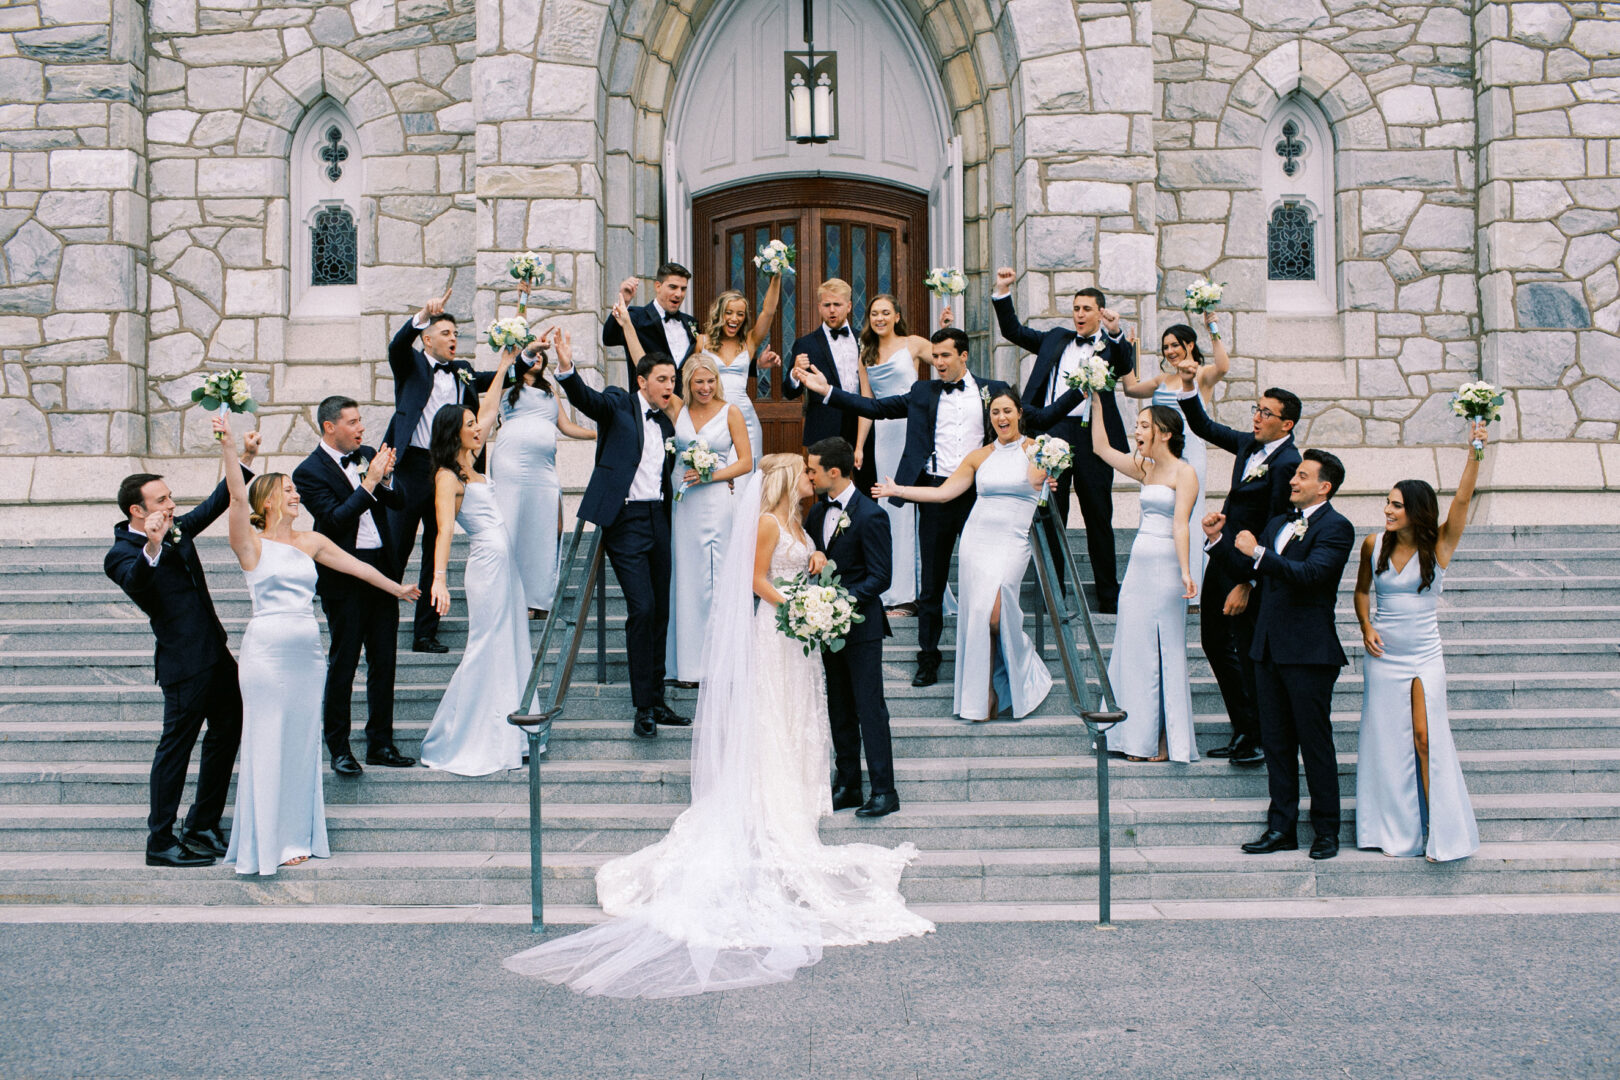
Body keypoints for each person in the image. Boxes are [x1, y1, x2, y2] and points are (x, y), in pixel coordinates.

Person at [503, 455, 933, 998]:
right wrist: (799, 606)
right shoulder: (767, 522)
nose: (809, 477)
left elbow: (801, 564)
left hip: (798, 639)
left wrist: (816, 570)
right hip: (777, 632)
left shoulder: (802, 521)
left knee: (799, 714)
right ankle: (771, 798)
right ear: (782, 481)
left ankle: (804, 790)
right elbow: (757, 580)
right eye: (803, 472)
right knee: (772, 714)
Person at [797, 327, 1080, 688]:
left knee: (987, 579)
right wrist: (829, 392)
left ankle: (997, 655)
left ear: (964, 356)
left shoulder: (992, 390)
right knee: (931, 582)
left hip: (981, 495)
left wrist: (1079, 392)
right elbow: (877, 408)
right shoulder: (922, 392)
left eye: (945, 355)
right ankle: (928, 657)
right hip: (933, 492)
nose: (938, 362)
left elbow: (1035, 420)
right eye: (935, 355)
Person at [214, 417, 419, 875]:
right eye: (288, 490)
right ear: (266, 499)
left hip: (307, 656)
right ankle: (266, 839)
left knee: (301, 744)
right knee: (267, 739)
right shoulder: (250, 544)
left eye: (295, 489)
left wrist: (397, 589)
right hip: (266, 654)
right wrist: (231, 450)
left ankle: (296, 834)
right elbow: (233, 495)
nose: (297, 495)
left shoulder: (312, 541)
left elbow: (357, 568)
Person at [105, 432, 259, 867]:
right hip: (183, 666)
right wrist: (152, 544)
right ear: (137, 511)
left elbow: (217, 503)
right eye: (161, 500)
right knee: (175, 750)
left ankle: (203, 824)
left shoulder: (176, 530)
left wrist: (242, 455)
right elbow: (137, 581)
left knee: (227, 733)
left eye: (170, 497)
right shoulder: (120, 553)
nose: (170, 506)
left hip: (216, 655)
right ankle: (160, 842)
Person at [1204, 449, 1355, 861]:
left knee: (1315, 743)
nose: (1292, 481)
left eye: (1302, 476)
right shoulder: (1276, 523)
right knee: (1275, 743)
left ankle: (1326, 830)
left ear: (1324, 486)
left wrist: (1258, 553)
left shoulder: (1338, 527)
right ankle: (1281, 827)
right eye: (1294, 476)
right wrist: (1218, 541)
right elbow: (1249, 573)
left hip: (1309, 653)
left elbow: (1310, 575)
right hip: (1266, 649)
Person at [873, 391, 1053, 723]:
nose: (1001, 417)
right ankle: (984, 693)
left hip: (1012, 540)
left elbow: (1036, 483)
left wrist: (1048, 479)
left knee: (997, 617)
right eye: (995, 412)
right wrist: (899, 490)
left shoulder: (1038, 450)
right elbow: (943, 493)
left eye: (1007, 411)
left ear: (1019, 413)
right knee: (980, 618)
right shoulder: (978, 456)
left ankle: (1025, 665)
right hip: (977, 541)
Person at [1353, 423, 1489, 863]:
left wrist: (1475, 449)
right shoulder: (1372, 545)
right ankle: (1395, 830)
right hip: (1384, 657)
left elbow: (1464, 500)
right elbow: (1360, 592)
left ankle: (1439, 832)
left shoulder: (1440, 545)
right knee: (1388, 742)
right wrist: (1365, 627)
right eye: (1387, 503)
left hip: (1425, 655)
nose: (1387, 510)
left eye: (1395, 505)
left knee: (1424, 737)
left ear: (1416, 510)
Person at [554, 338, 687, 739]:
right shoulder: (618, 403)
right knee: (642, 608)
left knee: (661, 610)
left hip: (658, 518)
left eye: (673, 379)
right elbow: (588, 400)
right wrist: (566, 370)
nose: (669, 386)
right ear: (642, 380)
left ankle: (658, 698)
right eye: (662, 379)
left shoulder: (667, 423)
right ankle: (642, 706)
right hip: (624, 520)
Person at [991, 267, 1134, 613]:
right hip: (1053, 431)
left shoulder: (1111, 344)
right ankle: (1053, 593)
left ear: (1101, 312)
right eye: (1076, 308)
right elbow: (1013, 330)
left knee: (1098, 514)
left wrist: (1116, 333)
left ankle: (1108, 598)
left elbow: (1125, 363)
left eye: (1087, 309)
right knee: (1052, 512)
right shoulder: (1055, 338)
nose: (1080, 314)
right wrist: (1002, 289)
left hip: (1094, 437)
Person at [420, 345, 532, 777]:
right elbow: (444, 529)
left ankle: (512, 732)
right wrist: (439, 579)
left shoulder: (476, 462)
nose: (478, 428)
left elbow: (486, 408)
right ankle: (466, 735)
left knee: (511, 641)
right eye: (469, 426)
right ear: (455, 433)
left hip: (507, 567)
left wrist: (504, 366)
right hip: (484, 565)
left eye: (476, 425)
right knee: (486, 644)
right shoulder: (448, 476)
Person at [1177, 385, 1301, 765]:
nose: (1257, 417)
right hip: (1222, 555)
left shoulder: (1287, 463)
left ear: (1287, 424)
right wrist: (1187, 385)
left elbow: (1278, 525)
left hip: (1250, 572)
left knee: (1246, 652)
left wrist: (1249, 582)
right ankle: (1243, 727)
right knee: (1214, 642)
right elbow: (1205, 427)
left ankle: (1258, 735)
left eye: (1266, 413)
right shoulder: (1249, 445)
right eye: (1257, 409)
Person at [292, 395, 416, 777]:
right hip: (342, 575)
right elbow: (333, 521)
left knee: (384, 660)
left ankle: (381, 742)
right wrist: (371, 482)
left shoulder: (363, 453)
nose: (361, 428)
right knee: (344, 662)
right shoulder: (308, 472)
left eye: (360, 421)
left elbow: (397, 503)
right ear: (330, 427)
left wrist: (388, 476)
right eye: (353, 422)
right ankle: (340, 748)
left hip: (381, 568)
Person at [384, 285, 495, 655]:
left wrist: (523, 357)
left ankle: (425, 632)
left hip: (447, 468)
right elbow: (397, 347)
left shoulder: (462, 371)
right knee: (397, 545)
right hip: (413, 464)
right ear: (427, 339)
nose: (453, 339)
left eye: (456, 334)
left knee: (437, 546)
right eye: (446, 333)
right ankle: (379, 624)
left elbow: (494, 380)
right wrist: (420, 316)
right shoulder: (411, 363)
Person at [1089, 401, 1200, 762]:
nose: (1136, 433)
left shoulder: (1185, 473)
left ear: (1164, 433)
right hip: (1139, 565)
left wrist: (1186, 570)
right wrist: (1096, 400)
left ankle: (1167, 739)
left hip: (1168, 564)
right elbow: (1101, 449)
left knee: (1165, 649)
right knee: (1134, 648)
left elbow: (1181, 523)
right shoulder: (1144, 468)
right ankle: (1135, 738)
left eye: (1142, 426)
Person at [805, 437, 898, 817]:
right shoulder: (814, 514)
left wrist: (838, 602)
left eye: (812, 469)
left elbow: (881, 577)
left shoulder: (872, 515)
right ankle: (848, 784)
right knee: (839, 707)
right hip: (827, 631)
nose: (808, 476)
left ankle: (884, 791)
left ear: (833, 471)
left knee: (869, 707)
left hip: (861, 628)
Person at [1121, 311, 1231, 606]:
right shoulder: (1160, 379)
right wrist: (1127, 351)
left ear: (1189, 345)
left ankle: (1192, 588)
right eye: (1165, 346)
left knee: (1189, 515)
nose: (1169, 351)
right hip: (1161, 453)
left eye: (1174, 345)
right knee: (1156, 507)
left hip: (1190, 448)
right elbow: (1131, 388)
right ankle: (1158, 579)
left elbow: (1223, 365)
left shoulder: (1202, 374)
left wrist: (1213, 327)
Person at [855, 294, 950, 617]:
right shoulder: (865, 354)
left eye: (885, 312)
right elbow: (867, 406)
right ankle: (894, 591)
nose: (879, 318)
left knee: (916, 509)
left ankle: (911, 596)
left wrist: (945, 329)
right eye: (874, 313)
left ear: (897, 315)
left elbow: (945, 363)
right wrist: (858, 446)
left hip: (915, 431)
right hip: (884, 436)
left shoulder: (913, 344)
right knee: (891, 510)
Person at [493, 329, 596, 619]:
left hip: (543, 469)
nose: (536, 357)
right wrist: (522, 298)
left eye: (541, 353)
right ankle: (512, 598)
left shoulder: (551, 390)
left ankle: (539, 599)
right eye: (531, 352)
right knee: (511, 527)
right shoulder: (507, 382)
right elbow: (511, 344)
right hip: (510, 464)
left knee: (545, 528)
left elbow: (566, 426)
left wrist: (599, 433)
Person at [666, 353, 755, 685]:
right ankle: (687, 667)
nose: (705, 387)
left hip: (717, 502)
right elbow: (645, 369)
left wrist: (713, 475)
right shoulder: (678, 409)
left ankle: (721, 665)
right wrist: (628, 324)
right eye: (699, 381)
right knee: (688, 579)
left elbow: (746, 462)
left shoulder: (730, 412)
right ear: (688, 382)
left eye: (711, 380)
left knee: (716, 577)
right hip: (685, 504)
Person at [783, 278, 873, 488]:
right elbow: (788, 392)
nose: (832, 310)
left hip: (862, 426)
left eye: (837, 305)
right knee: (824, 491)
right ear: (819, 307)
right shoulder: (805, 344)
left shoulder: (866, 340)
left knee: (866, 485)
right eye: (827, 305)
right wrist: (795, 375)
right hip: (823, 427)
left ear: (849, 306)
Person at [692, 276, 783, 465]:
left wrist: (777, 276)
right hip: (712, 415)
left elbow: (768, 312)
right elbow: (692, 380)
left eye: (740, 314)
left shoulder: (748, 342)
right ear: (719, 314)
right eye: (729, 313)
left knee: (747, 473)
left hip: (745, 417)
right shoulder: (702, 342)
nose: (734, 319)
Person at [601, 263, 699, 381]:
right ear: (658, 286)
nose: (678, 294)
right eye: (673, 287)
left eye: (683, 289)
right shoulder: (636, 317)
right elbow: (609, 338)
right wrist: (624, 302)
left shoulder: (691, 323)